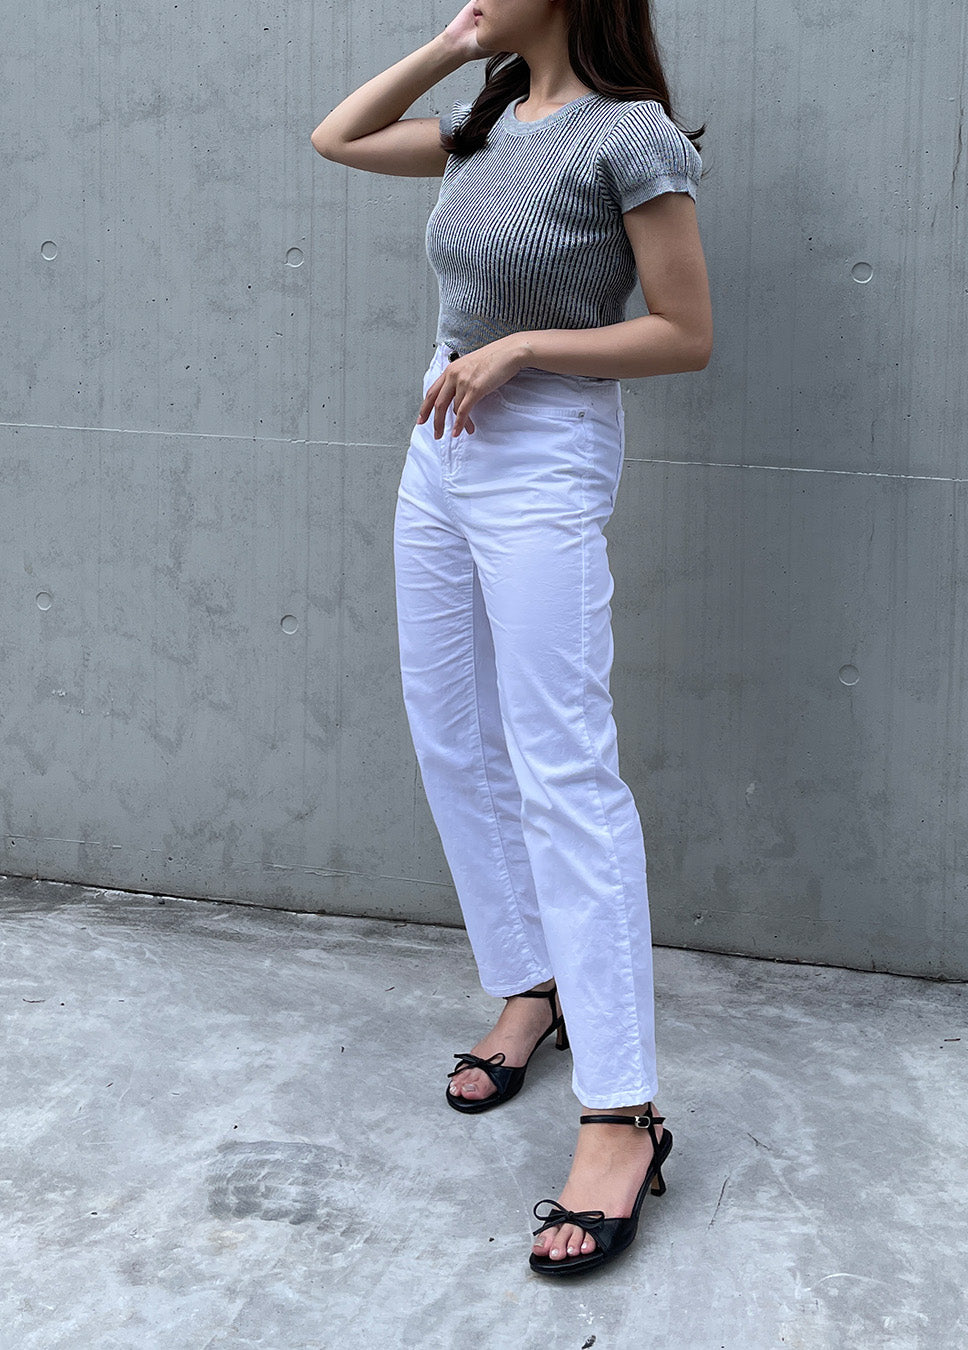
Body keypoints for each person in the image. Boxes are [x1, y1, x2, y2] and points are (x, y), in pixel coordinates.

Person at [311, 0, 711, 1276]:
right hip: (441, 442)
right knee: (451, 732)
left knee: (563, 767)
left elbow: (686, 333)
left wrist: (527, 345)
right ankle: (531, 985)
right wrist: (452, 47)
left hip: (543, 443)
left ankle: (623, 1114)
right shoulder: (485, 126)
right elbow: (337, 137)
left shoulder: (629, 137)